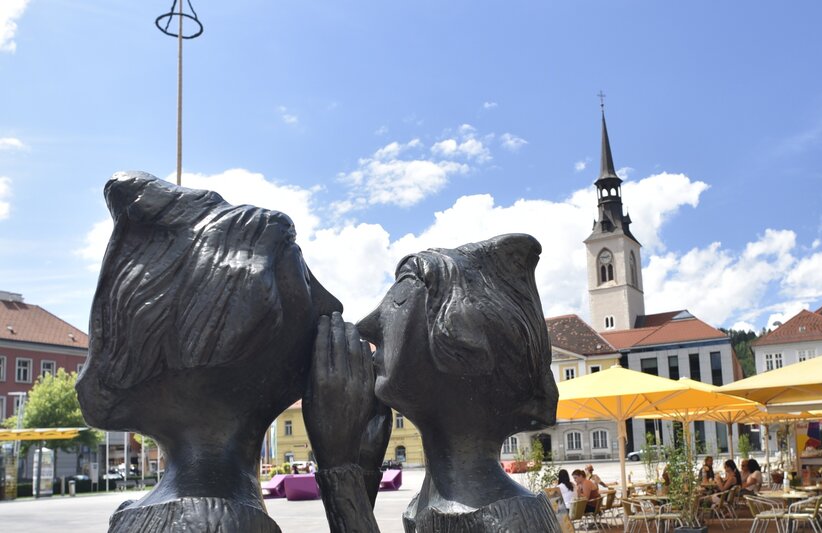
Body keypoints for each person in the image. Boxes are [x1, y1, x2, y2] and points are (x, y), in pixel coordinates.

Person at [76, 172, 343, 533]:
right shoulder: (219, 523)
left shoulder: (163, 511)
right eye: (306, 280)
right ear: (234, 335)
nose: (332, 304)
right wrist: (345, 479)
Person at [304, 234, 561, 532]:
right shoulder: (429, 507)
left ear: (463, 343)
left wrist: (339, 473)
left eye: (398, 301)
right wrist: (362, 474)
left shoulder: (507, 520)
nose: (367, 325)